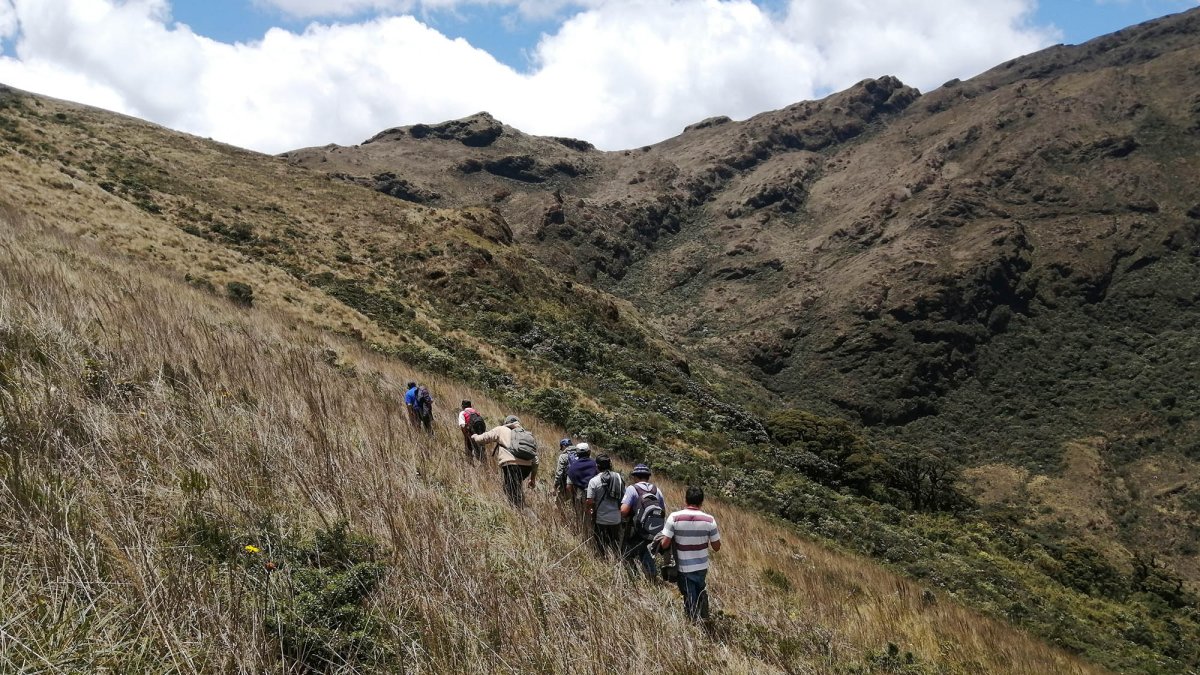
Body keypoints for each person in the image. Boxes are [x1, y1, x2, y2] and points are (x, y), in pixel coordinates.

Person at [659, 486, 721, 621]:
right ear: (701, 502)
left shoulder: (674, 517)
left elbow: (664, 543)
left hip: (684, 567)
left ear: (685, 500)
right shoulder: (709, 520)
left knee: (689, 596)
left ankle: (693, 622)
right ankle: (704, 618)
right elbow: (716, 547)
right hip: (702, 566)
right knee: (700, 590)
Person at [472, 415, 539, 507]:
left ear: (506, 423)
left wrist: (475, 436)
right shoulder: (527, 435)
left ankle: (521, 513)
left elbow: (483, 439)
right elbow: (535, 461)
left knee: (512, 495)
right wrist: (532, 478)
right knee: (515, 487)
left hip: (511, 466)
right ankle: (519, 506)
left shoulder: (501, 429)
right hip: (527, 468)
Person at [620, 463, 666, 579]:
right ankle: (651, 578)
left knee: (627, 554)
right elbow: (663, 511)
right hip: (652, 529)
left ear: (635, 476)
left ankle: (633, 578)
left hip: (635, 528)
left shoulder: (632, 489)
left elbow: (624, 511)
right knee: (646, 553)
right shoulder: (657, 490)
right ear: (648, 476)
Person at [585, 455, 625, 557]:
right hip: (616, 519)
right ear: (610, 465)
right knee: (615, 545)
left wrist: (589, 509)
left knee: (600, 546)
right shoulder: (618, 478)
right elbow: (624, 497)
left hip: (600, 519)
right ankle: (616, 563)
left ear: (597, 466)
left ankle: (602, 562)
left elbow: (589, 501)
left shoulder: (594, 481)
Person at [565, 442, 597, 521]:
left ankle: (584, 533)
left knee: (581, 518)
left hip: (580, 496)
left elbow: (569, 487)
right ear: (589, 452)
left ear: (577, 454)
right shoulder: (595, 465)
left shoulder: (572, 467)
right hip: (595, 496)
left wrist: (573, 497)